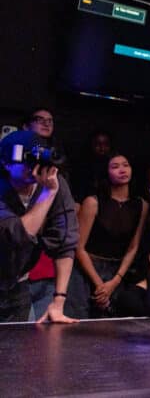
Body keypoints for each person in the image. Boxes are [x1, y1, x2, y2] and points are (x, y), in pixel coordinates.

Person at [0, 131, 78, 323]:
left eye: (37, 160)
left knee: (18, 341)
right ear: (6, 163)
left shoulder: (52, 182)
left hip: (17, 285)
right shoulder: (48, 189)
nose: (34, 168)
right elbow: (17, 236)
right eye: (26, 161)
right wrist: (47, 194)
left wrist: (58, 301)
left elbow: (65, 242)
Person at [66, 153, 149, 318]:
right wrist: (100, 285)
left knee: (111, 323)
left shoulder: (141, 205)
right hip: (87, 268)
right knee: (77, 321)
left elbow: (133, 247)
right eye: (115, 167)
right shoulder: (93, 202)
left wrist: (115, 281)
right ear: (106, 172)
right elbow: (79, 247)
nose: (122, 170)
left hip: (116, 271)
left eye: (125, 165)